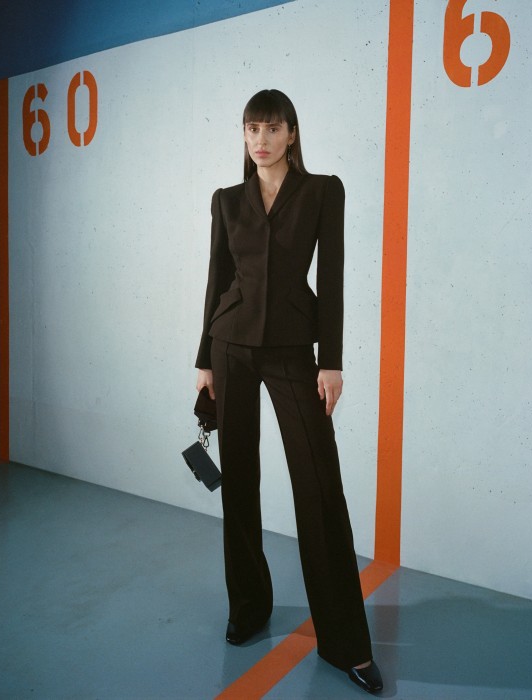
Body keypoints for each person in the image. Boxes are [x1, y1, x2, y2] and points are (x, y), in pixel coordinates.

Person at [195, 89, 383, 695]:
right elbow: (217, 278)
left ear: (292, 134)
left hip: (293, 350)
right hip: (230, 345)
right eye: (252, 128)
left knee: (320, 487)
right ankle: (249, 608)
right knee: (238, 480)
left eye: (272, 128)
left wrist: (332, 361)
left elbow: (332, 275)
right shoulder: (227, 200)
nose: (261, 140)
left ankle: (346, 642)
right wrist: (204, 360)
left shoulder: (323, 191)